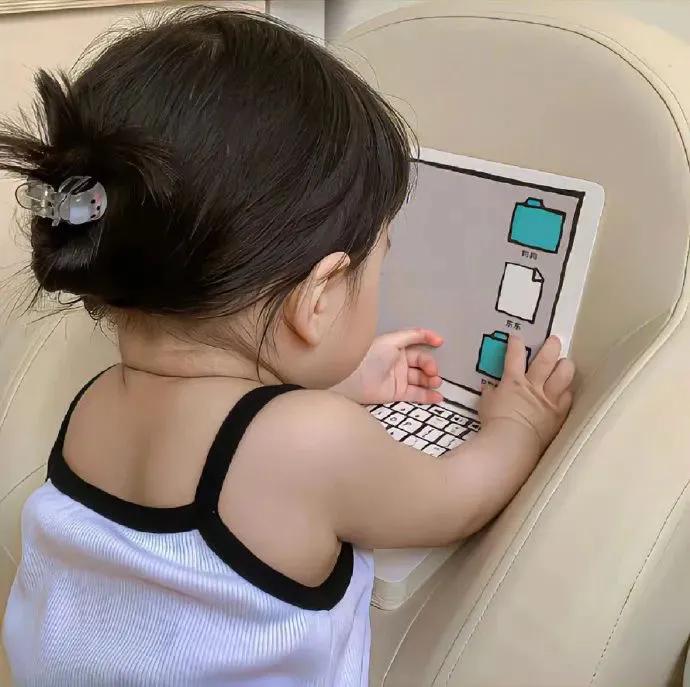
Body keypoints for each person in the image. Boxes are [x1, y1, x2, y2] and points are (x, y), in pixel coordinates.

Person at [0, 7, 574, 686]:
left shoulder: (96, 404)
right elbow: (454, 498)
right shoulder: (313, 441)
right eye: (378, 263)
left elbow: (220, 437)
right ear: (320, 295)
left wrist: (342, 381)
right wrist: (517, 424)